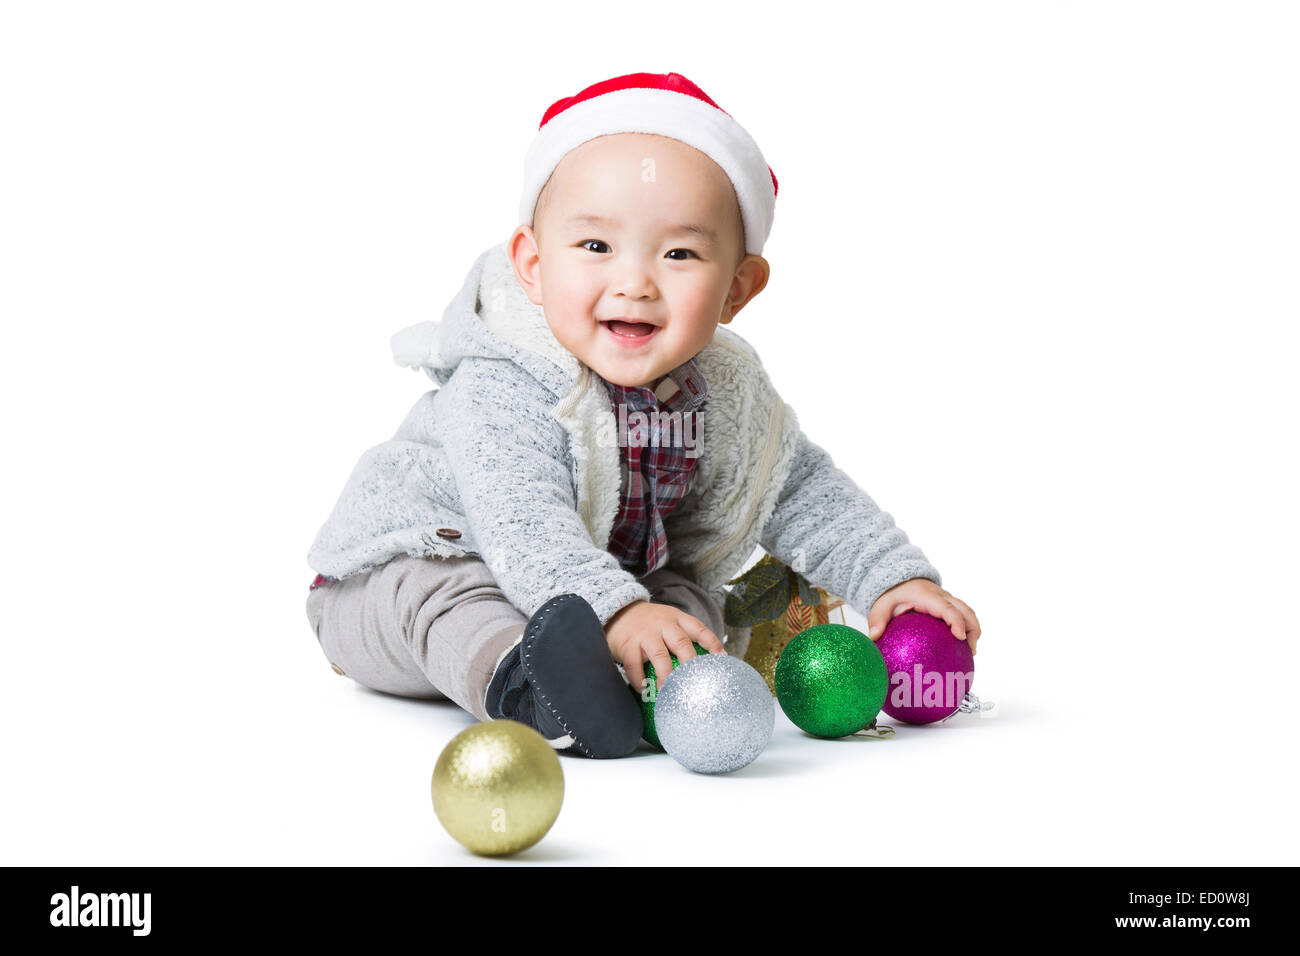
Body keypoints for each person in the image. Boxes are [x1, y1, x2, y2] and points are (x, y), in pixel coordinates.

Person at [305, 72, 981, 758]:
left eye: (680, 253)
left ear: (737, 289)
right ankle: (529, 687)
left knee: (685, 597)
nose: (635, 282)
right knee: (449, 592)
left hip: (585, 590)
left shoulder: (725, 397)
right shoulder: (504, 380)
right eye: (595, 247)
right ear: (533, 266)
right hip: (399, 582)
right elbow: (523, 524)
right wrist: (618, 612)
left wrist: (894, 577)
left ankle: (652, 687)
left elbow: (801, 490)